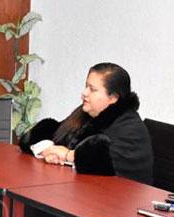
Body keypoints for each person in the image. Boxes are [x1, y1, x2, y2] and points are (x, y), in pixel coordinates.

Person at [19, 62, 153, 185]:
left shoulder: (131, 130)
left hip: (116, 198)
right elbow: (55, 135)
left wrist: (68, 155)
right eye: (86, 86)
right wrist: (49, 150)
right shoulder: (88, 112)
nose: (84, 93)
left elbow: (106, 165)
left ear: (113, 98)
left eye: (92, 89)